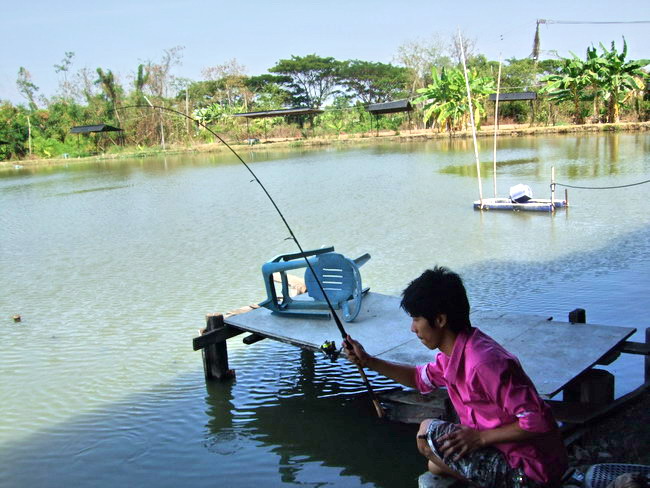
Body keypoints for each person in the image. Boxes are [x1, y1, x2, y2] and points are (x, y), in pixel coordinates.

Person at [344, 266, 568, 488]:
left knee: (426, 434)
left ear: (440, 320)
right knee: (434, 462)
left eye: (416, 319)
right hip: (502, 451)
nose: (413, 328)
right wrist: (368, 361)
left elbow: (539, 421)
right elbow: (418, 378)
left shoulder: (483, 363)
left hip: (528, 472)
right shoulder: (457, 352)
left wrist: (480, 438)